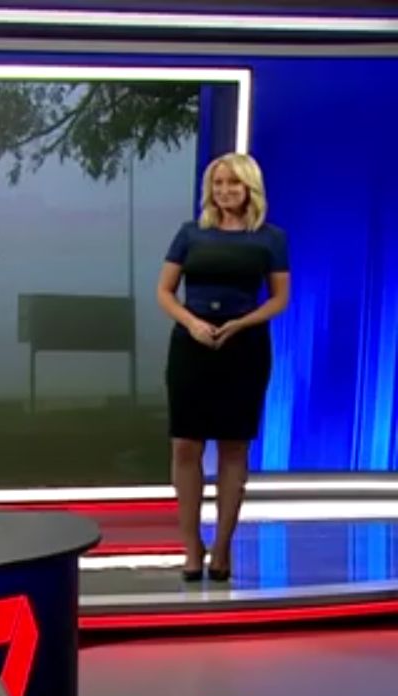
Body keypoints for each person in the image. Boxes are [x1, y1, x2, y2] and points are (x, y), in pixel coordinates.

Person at [156, 152, 290, 583]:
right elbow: (165, 291)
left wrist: (241, 324)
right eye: (218, 183)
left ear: (250, 187)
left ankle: (223, 548)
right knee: (185, 446)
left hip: (244, 347)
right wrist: (192, 323)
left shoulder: (270, 239)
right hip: (191, 346)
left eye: (233, 183)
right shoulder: (190, 234)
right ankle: (191, 547)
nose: (225, 191)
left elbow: (279, 298)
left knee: (234, 447)